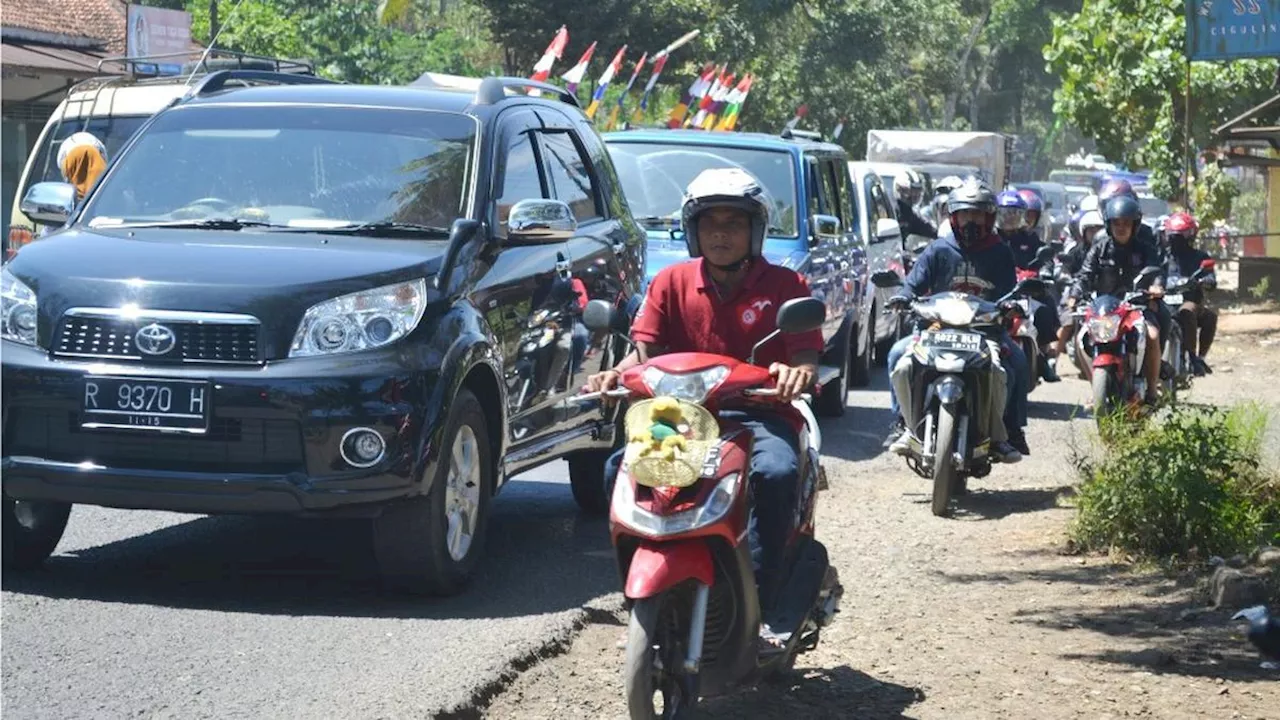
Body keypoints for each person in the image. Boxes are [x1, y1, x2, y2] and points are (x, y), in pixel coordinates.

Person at [586, 167, 822, 633]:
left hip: (760, 412)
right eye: (710, 222)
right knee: (619, 470)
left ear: (755, 231)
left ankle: (764, 596)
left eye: (733, 223)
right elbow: (644, 352)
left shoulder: (784, 286)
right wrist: (616, 373)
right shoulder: (670, 281)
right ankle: (641, 589)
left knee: (776, 474)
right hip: (681, 416)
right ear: (693, 230)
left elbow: (807, 358)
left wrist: (797, 373)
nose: (720, 233)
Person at [883, 178, 1029, 461]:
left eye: (976, 214)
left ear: (988, 217)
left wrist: (1012, 306)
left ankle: (1007, 433)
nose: (970, 221)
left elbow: (1010, 290)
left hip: (985, 332)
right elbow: (913, 283)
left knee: (1014, 367)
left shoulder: (999, 252)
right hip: (936, 328)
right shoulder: (938, 249)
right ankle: (902, 423)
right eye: (965, 214)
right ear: (953, 216)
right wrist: (903, 296)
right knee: (897, 357)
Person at [1068, 195, 1167, 404]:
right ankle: (1096, 390)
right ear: (1109, 224)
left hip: (1137, 307)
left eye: (1126, 223)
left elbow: (1157, 271)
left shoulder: (1145, 248)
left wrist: (1156, 286)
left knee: (1152, 334)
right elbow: (1085, 275)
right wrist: (1074, 295)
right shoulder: (1099, 248)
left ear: (1135, 225)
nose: (1121, 228)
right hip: (1105, 309)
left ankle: (1151, 391)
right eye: (1116, 223)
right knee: (1080, 338)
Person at [997, 190, 1060, 382]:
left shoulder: (1029, 238)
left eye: (1014, 213)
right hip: (997, 291)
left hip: (1026, 290)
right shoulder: (991, 238)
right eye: (1005, 213)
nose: (1009, 218)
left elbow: (1046, 257)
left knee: (1043, 310)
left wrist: (1046, 271)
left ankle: (1042, 353)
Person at [1162, 211, 1217, 375]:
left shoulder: (1200, 257)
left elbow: (1210, 277)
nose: (1178, 239)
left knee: (1197, 314)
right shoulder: (1161, 257)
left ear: (1191, 235)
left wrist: (1206, 281)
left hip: (1189, 301)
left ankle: (1196, 358)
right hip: (1163, 302)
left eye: (1183, 234)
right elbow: (1150, 271)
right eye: (1174, 235)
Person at [1054, 209, 1104, 358]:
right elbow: (1065, 268)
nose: (1095, 233)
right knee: (1068, 321)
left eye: (1098, 229)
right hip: (1077, 292)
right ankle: (1053, 359)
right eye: (1091, 230)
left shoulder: (1108, 249)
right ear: (1083, 231)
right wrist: (1067, 278)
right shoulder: (1076, 251)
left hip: (1101, 295)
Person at [894, 170, 937, 241]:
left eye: (918, 190)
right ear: (899, 190)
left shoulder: (909, 212)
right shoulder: (893, 210)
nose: (915, 194)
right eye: (912, 190)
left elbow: (926, 227)